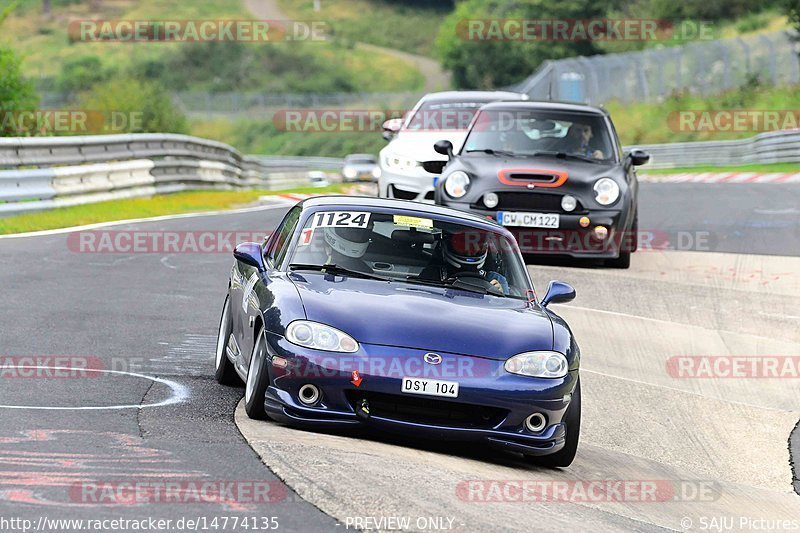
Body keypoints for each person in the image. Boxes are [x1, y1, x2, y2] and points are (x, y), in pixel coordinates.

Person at [420, 231, 509, 295]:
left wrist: (500, 296)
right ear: (448, 244)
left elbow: (507, 310)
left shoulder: (496, 280)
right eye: (463, 244)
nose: (471, 251)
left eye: (478, 244)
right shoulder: (432, 275)